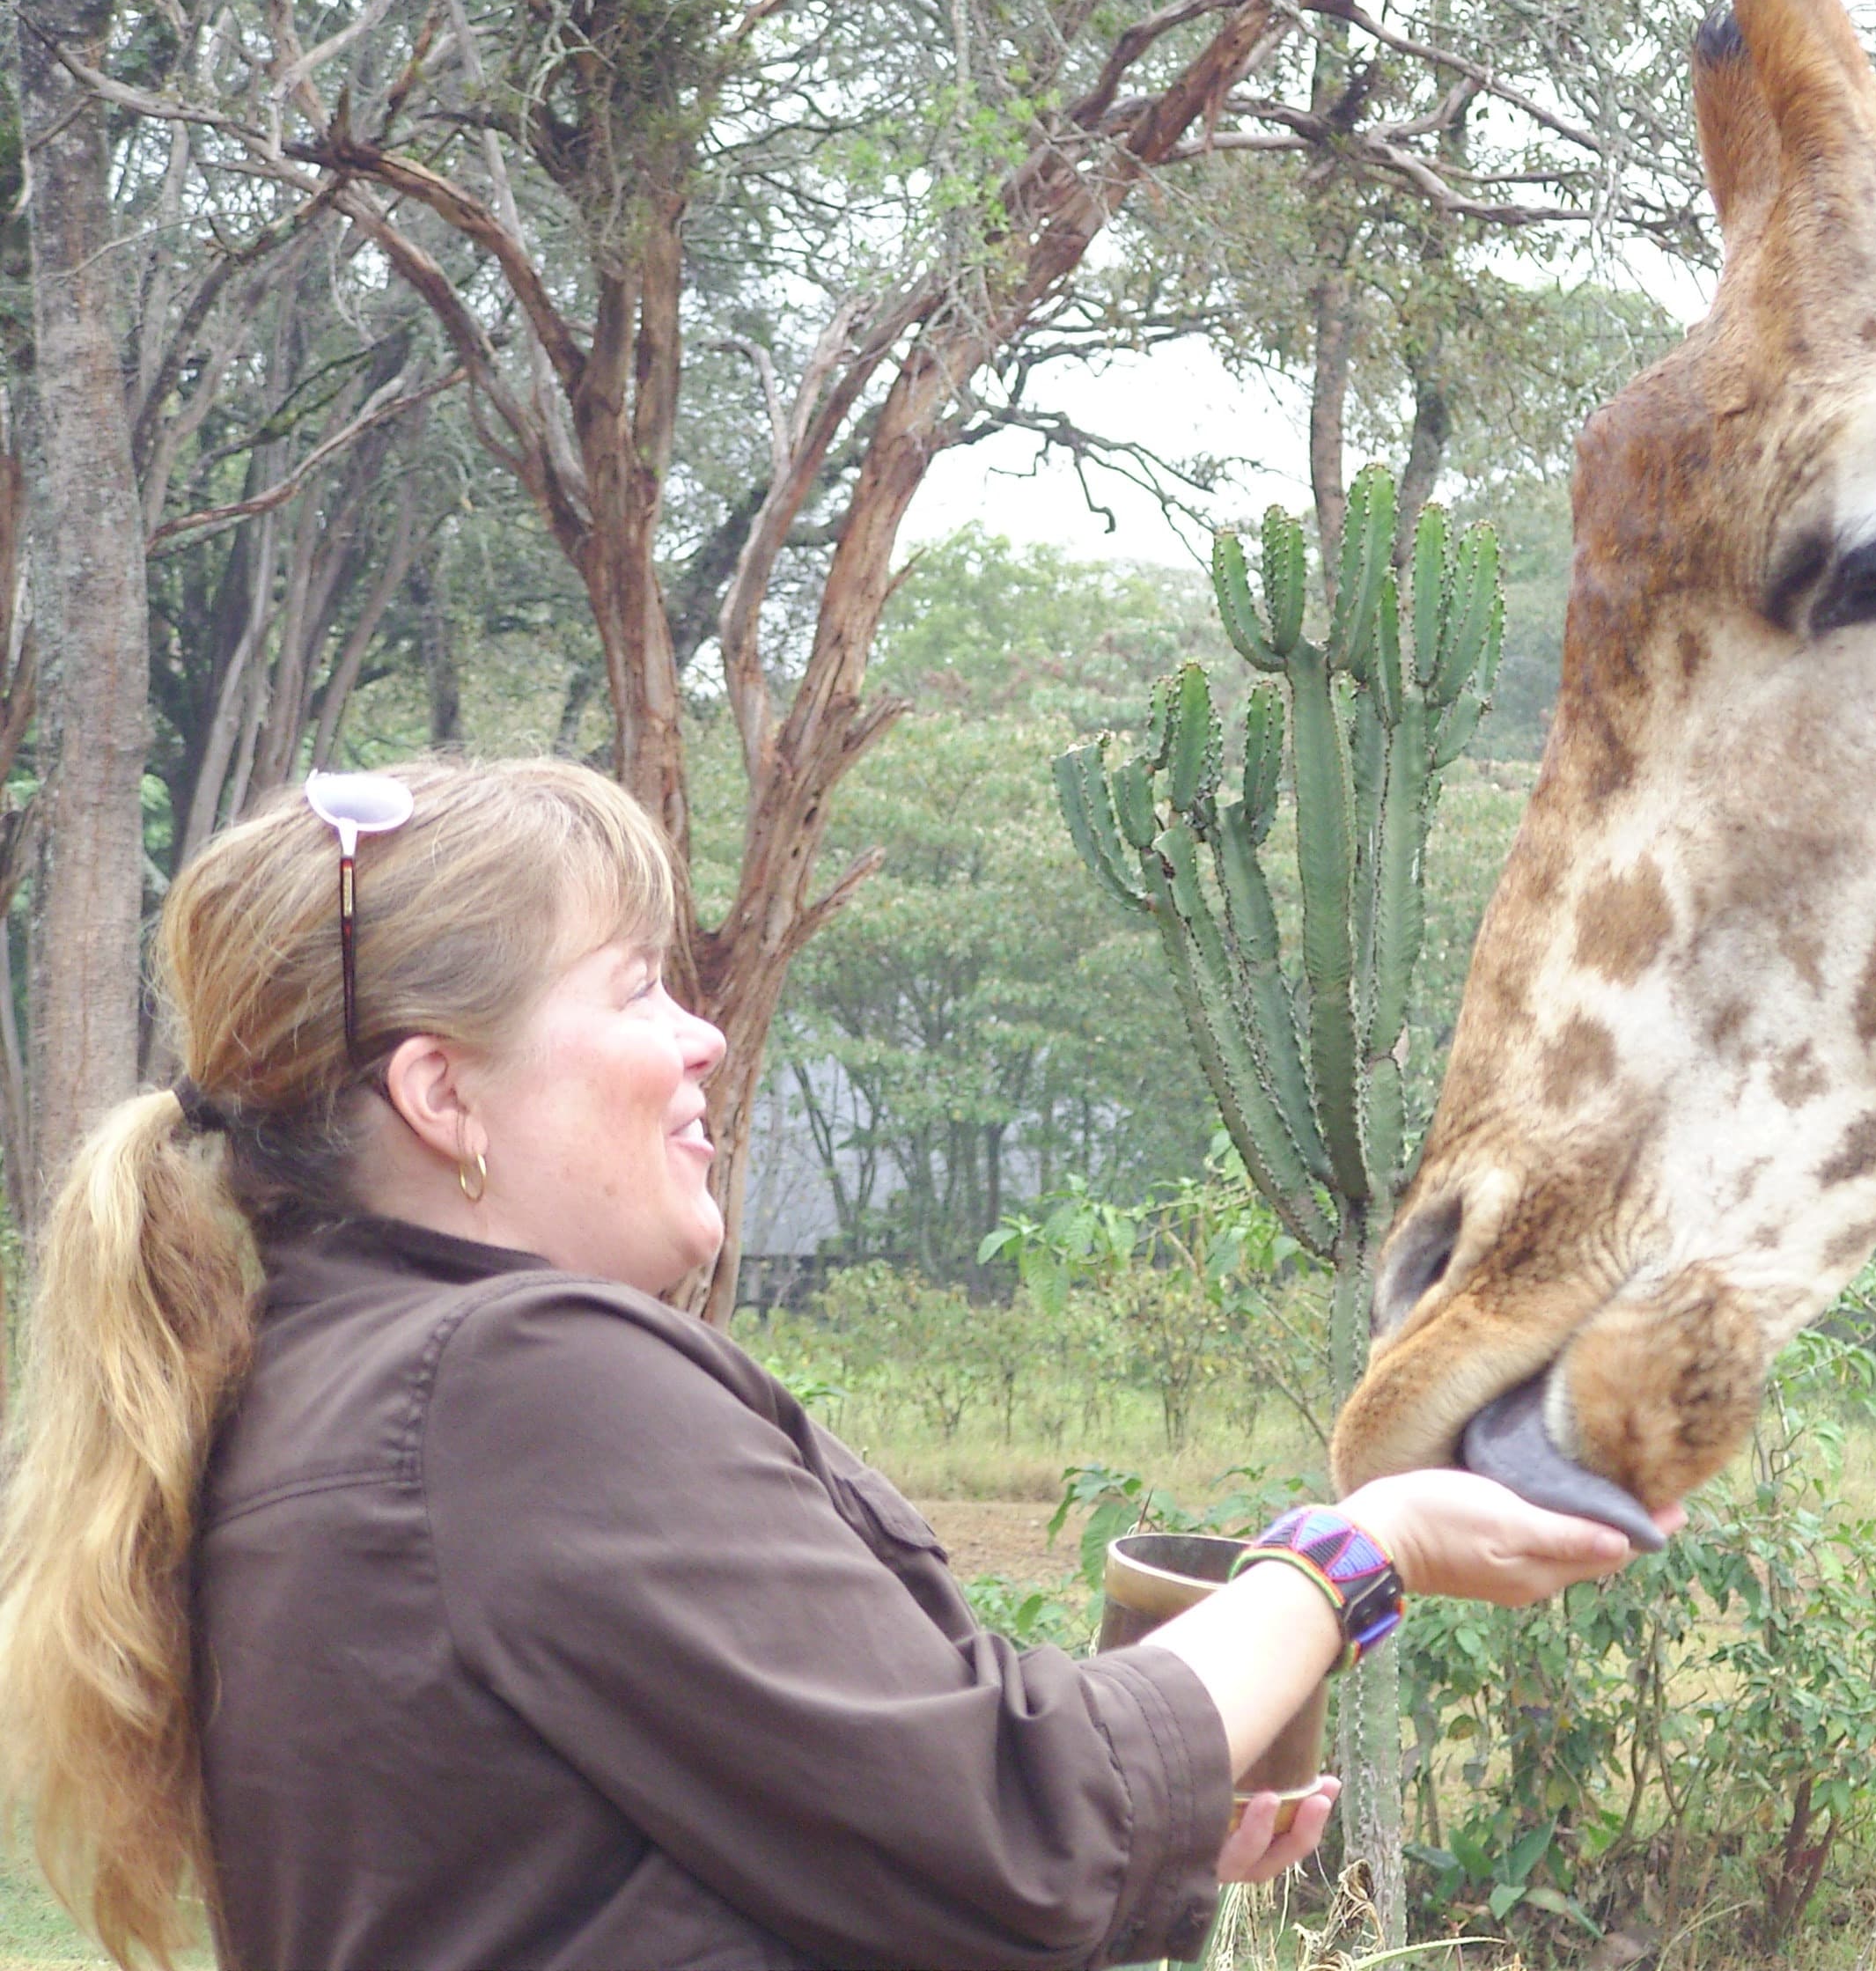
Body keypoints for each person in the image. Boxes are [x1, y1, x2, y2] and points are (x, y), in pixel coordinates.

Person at [0, 758, 1668, 1971]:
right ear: (443, 1097)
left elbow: (752, 1846)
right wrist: (1360, 1554)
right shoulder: (508, 1383)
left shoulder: (315, 1381)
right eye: (640, 988)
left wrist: (1153, 1816)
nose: (704, 1034)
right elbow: (1014, 1819)